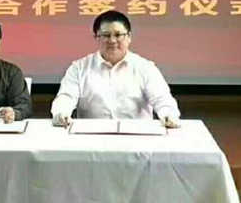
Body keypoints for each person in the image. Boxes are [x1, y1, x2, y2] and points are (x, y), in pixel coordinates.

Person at [51, 10, 180, 128]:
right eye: (106, 35)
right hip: (92, 136)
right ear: (96, 38)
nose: (112, 40)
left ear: (129, 37)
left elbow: (161, 98)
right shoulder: (79, 68)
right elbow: (66, 97)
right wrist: (62, 112)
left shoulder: (146, 68)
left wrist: (168, 114)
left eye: (118, 35)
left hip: (137, 137)